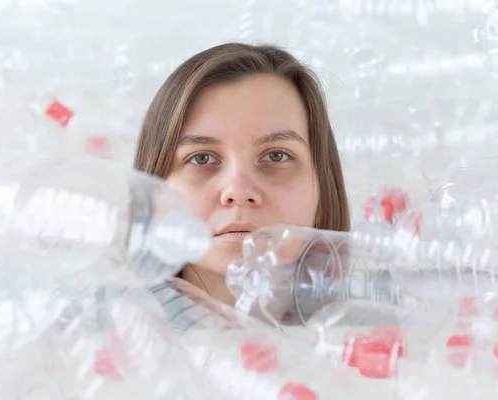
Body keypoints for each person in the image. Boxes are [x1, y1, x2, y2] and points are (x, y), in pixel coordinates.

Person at [134, 42, 350, 307]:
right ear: (151, 189)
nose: (238, 191)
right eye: (201, 158)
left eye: (276, 156)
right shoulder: (94, 340)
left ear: (324, 185)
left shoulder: (403, 340)